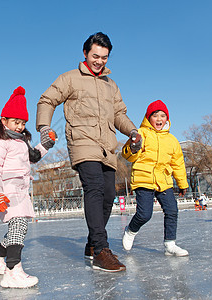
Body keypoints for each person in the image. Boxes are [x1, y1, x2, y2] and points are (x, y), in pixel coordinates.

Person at [36, 32, 141, 272]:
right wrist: (44, 126)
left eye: (104, 57)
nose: (100, 61)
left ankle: (92, 245)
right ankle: (101, 250)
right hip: (82, 142)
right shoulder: (70, 79)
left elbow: (119, 115)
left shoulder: (110, 85)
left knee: (106, 196)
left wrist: (133, 131)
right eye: (95, 56)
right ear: (85, 53)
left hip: (107, 146)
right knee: (93, 189)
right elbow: (47, 100)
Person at [0, 86, 56, 288]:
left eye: (23, 123)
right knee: (19, 225)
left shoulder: (21, 140)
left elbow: (32, 157)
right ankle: (13, 270)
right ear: (4, 120)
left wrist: (46, 145)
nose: (20, 126)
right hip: (5, 190)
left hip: (21, 188)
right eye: (16, 122)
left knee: (17, 226)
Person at [121, 100, 189, 256]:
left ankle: (170, 244)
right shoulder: (141, 133)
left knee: (172, 211)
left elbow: (178, 163)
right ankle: (131, 230)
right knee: (145, 214)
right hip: (143, 179)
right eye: (155, 115)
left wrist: (182, 183)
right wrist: (133, 147)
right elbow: (128, 156)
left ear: (167, 119)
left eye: (163, 116)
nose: (159, 119)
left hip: (164, 180)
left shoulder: (172, 140)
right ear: (148, 118)